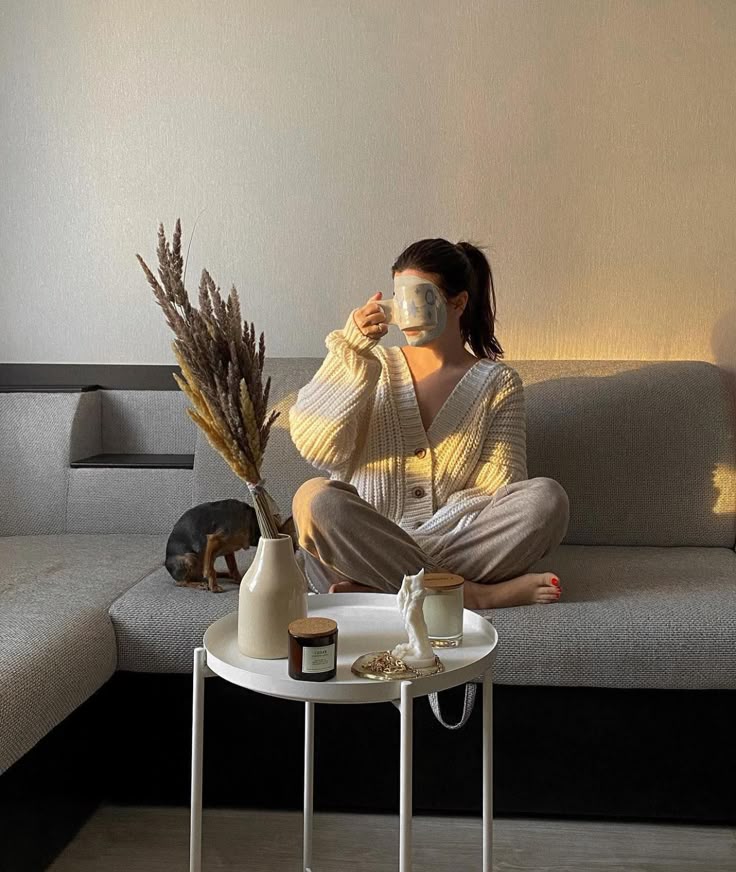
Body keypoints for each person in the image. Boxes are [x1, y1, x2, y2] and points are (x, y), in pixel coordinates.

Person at [288, 238, 570, 608]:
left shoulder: (498, 383)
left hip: (395, 555)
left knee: (547, 500)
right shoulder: (372, 366)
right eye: (397, 296)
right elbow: (317, 447)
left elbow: (495, 493)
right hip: (364, 542)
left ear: (458, 302)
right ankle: (468, 595)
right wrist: (352, 353)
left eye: (419, 296)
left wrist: (404, 551)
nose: (405, 310)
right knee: (314, 500)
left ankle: (387, 591)